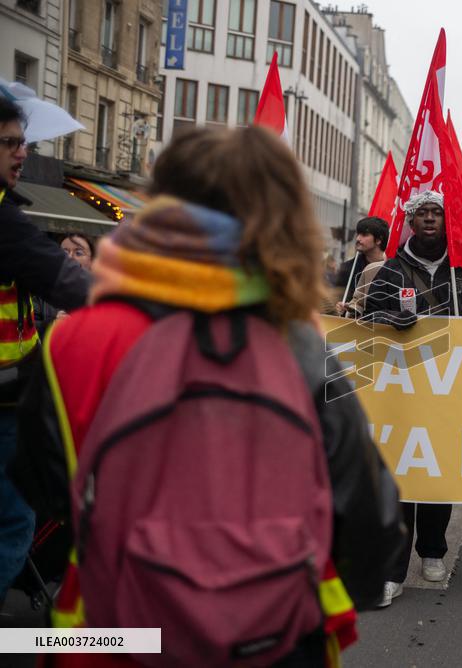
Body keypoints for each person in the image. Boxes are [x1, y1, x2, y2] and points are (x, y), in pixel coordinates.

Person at [16, 126, 404, 665]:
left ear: (160, 203)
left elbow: (49, 493)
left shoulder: (70, 343)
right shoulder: (300, 347)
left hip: (113, 634)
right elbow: (369, 519)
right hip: (273, 639)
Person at [364, 189, 462, 606]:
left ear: (447, 221)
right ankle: (391, 570)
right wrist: (387, 319)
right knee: (400, 478)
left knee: (437, 474)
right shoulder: (390, 272)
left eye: (438, 212)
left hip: (447, 394)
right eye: (423, 213)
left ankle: (433, 550)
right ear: (411, 222)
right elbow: (366, 323)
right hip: (399, 394)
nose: (431, 219)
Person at [0, 96, 91, 609]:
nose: (22, 154)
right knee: (14, 523)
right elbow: (69, 283)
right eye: (11, 142)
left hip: (17, 392)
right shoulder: (6, 223)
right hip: (6, 401)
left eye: (24, 142)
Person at [331, 216, 389, 314]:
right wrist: (338, 307)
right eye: (358, 234)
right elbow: (335, 301)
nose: (358, 238)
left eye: (364, 234)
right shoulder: (347, 269)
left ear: (379, 240)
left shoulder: (395, 268)